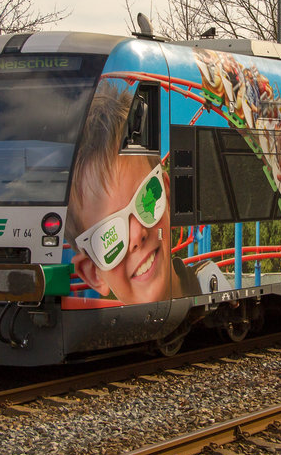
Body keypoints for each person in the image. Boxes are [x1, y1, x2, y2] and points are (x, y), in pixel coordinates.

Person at [66, 81, 200, 304]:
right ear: (92, 272)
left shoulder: (213, 283)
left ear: (168, 196)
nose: (137, 234)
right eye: (109, 233)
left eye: (147, 198)